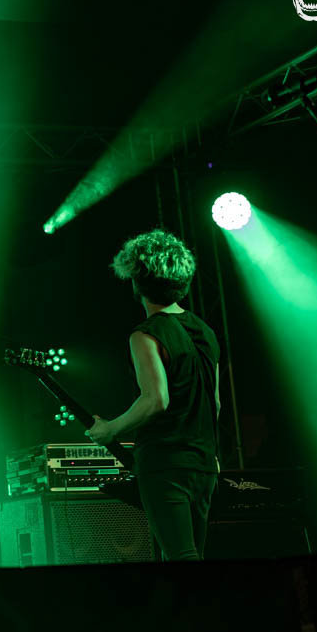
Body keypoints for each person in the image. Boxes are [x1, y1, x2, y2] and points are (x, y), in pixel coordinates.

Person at [85, 230, 221, 561]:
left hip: (165, 464)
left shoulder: (145, 335)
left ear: (136, 282)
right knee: (191, 557)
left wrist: (111, 429)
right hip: (204, 464)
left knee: (181, 559)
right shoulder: (206, 331)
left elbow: (156, 399)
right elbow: (214, 404)